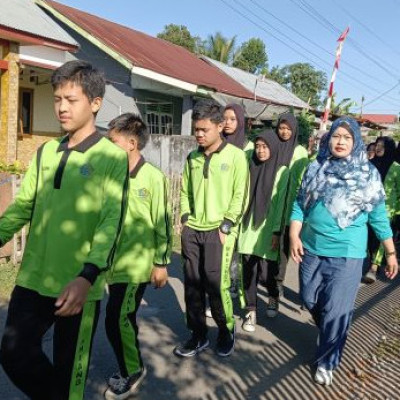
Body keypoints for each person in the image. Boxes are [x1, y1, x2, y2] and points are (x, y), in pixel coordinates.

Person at [0, 60, 129, 400]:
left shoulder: (111, 157)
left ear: (95, 103)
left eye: (71, 100)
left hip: (77, 286)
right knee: (13, 353)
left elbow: (110, 221)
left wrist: (87, 276)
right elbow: (24, 206)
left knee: (71, 374)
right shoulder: (46, 152)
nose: (61, 107)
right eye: (57, 99)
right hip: (32, 277)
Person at [290, 116, 398, 386]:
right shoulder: (316, 168)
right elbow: (299, 204)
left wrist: (390, 253)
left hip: (348, 254)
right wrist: (294, 234)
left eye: (347, 138)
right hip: (312, 248)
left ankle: (328, 360)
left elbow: (378, 217)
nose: (340, 142)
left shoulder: (367, 174)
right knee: (309, 297)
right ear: (329, 139)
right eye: (336, 136)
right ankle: (328, 328)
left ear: (356, 142)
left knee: (337, 311)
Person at [103, 113, 171, 400]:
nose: (109, 146)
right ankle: (128, 365)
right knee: (118, 318)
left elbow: (162, 223)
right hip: (111, 263)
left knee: (118, 318)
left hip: (138, 264)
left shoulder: (154, 178)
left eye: (113, 141)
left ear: (131, 143)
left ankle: (133, 370)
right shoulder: (110, 173)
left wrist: (161, 263)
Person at [174, 99, 248, 358]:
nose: (199, 134)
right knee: (192, 284)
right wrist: (185, 218)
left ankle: (226, 330)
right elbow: (185, 190)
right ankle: (198, 334)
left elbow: (241, 194)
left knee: (216, 284)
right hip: (193, 229)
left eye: (204, 129)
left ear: (219, 126)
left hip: (220, 229)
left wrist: (227, 224)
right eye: (196, 129)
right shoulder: (192, 156)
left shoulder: (236, 156)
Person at [238, 130, 289, 332]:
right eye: (257, 146)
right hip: (248, 226)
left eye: (265, 146)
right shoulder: (248, 166)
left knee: (267, 273)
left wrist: (276, 231)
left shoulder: (282, 171)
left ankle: (273, 296)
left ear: (273, 148)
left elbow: (280, 204)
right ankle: (250, 311)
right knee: (248, 271)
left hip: (268, 230)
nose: (260, 151)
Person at [275, 113, 309, 298]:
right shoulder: (272, 146)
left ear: (294, 130)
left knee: (282, 247)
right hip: (270, 205)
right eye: (281, 127)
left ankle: (278, 282)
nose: (285, 131)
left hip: (290, 207)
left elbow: (302, 182)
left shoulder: (300, 152)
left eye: (288, 128)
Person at [363, 136, 396, 283]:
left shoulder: (396, 168)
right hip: (368, 207)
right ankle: (370, 260)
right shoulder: (369, 165)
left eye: (382, 146)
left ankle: (374, 267)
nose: (378, 148)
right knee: (369, 238)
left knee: (381, 237)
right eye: (377, 145)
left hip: (388, 209)